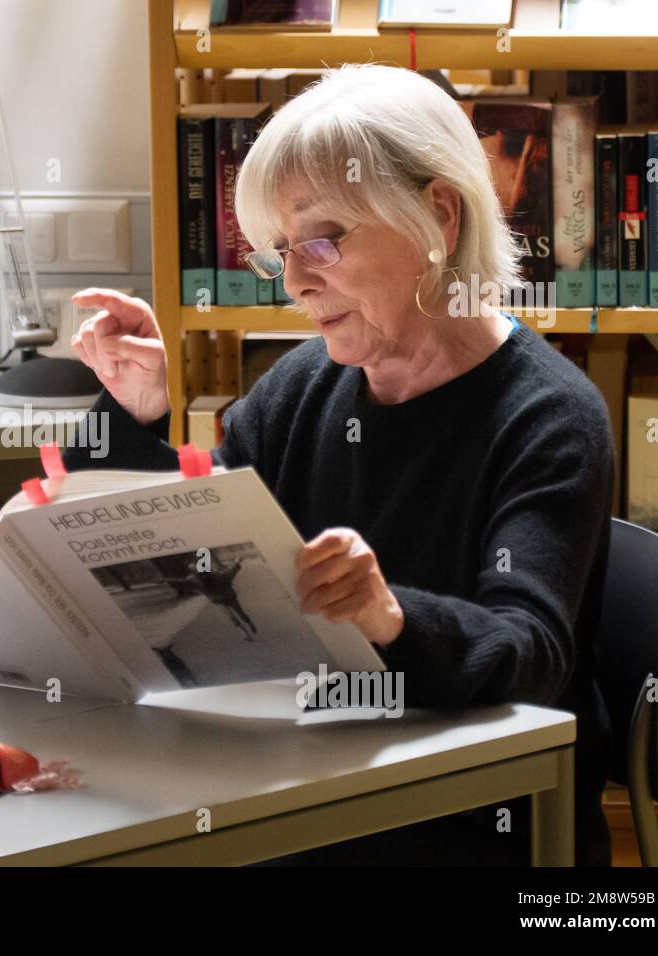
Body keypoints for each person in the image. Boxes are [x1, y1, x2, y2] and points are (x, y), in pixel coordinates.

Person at [60, 63, 615, 866]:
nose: (293, 281)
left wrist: (387, 616)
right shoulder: (306, 384)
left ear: (437, 217)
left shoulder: (548, 415)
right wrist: (129, 415)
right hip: (301, 786)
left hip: (462, 820)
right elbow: (194, 546)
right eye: (279, 253)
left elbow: (529, 656)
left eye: (322, 240)